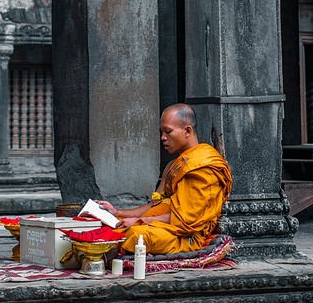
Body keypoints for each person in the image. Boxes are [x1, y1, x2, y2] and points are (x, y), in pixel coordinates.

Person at [96, 103, 232, 255]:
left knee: (135, 236)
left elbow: (186, 221)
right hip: (161, 225)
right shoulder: (173, 166)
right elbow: (153, 205)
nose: (163, 138)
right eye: (162, 132)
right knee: (111, 225)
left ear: (187, 130)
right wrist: (118, 211)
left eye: (168, 132)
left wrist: (139, 222)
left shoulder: (203, 166)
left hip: (184, 236)